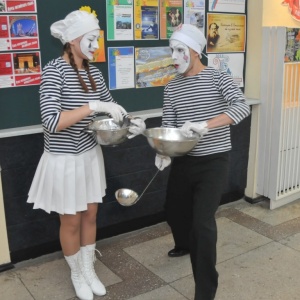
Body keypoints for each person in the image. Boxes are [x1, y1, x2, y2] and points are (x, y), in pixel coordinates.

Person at [27, 7, 145, 300]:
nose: (95, 46)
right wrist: (91, 107)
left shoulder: (93, 73)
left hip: (90, 156)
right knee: (70, 220)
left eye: (97, 39)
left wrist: (131, 124)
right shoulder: (54, 71)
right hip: (64, 159)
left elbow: (111, 110)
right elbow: (52, 122)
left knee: (91, 214)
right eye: (90, 39)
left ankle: (88, 267)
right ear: (73, 40)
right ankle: (76, 272)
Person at [155, 24, 250, 300]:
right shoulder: (172, 87)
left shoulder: (218, 78)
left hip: (214, 161)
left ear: (195, 52)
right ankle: (184, 244)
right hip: (185, 161)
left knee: (202, 223)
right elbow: (168, 125)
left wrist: (205, 125)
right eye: (171, 50)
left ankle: (206, 288)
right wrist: (162, 151)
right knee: (173, 210)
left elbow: (241, 107)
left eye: (180, 50)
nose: (174, 56)